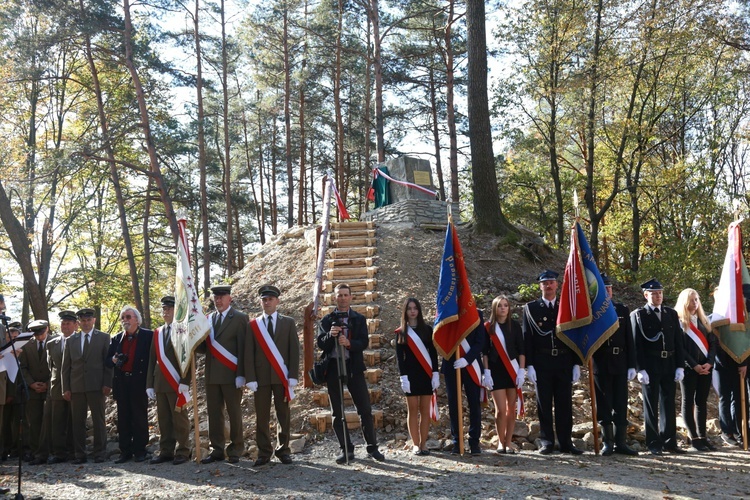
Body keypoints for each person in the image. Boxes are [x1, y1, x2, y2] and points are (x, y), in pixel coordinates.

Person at [318, 283, 385, 464]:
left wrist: (348, 343)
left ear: (351, 297)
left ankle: (372, 447)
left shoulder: (358, 318)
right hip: (333, 367)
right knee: (337, 412)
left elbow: (363, 342)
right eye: (339, 295)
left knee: (364, 408)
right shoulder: (326, 320)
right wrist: (330, 336)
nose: (342, 298)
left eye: (346, 295)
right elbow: (321, 345)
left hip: (353, 367)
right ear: (334, 297)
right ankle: (346, 449)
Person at [523, 270, 582, 455]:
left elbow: (575, 335)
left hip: (564, 360)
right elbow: (527, 338)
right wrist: (529, 365)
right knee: (544, 403)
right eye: (545, 283)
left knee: (564, 404)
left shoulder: (566, 307)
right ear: (540, 286)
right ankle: (547, 441)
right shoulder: (531, 309)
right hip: (542, 361)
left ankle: (566, 442)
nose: (548, 286)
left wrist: (576, 363)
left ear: (557, 285)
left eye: (551, 282)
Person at [245, 285, 300, 466]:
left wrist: (293, 375)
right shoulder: (253, 325)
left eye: (270, 299)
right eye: (264, 299)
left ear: (277, 301)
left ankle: (283, 450)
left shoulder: (288, 322)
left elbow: (294, 351)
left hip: (281, 376)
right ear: (260, 302)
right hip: (260, 379)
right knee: (261, 416)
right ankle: (264, 452)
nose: (267, 302)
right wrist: (250, 377)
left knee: (283, 414)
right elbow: (248, 353)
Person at [630, 279, 685, 455]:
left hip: (668, 363)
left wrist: (680, 366)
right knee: (651, 404)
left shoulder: (671, 313)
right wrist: (640, 368)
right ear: (646, 295)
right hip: (650, 364)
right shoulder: (639, 315)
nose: (658, 296)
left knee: (669, 404)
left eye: (660, 292)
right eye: (654, 293)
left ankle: (670, 441)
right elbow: (636, 344)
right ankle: (653, 443)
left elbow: (678, 341)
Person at [198, 284, 248, 464]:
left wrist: (242, 374)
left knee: (234, 412)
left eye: (221, 297)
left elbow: (244, 348)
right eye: (216, 298)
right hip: (212, 374)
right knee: (214, 413)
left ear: (230, 299)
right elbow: (205, 348)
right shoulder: (208, 319)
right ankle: (217, 449)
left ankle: (235, 449)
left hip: (231, 373)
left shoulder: (240, 318)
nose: (218, 300)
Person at [592, 275, 638, 456]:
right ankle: (607, 443)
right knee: (604, 404)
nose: (608, 291)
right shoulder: (592, 311)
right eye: (605, 288)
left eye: (610, 288)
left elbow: (629, 339)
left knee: (620, 403)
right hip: (601, 363)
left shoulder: (622, 309)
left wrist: (632, 365)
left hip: (620, 362)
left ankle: (621, 442)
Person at [61, 308, 113, 464]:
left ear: (94, 320)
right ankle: (79, 454)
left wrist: (107, 383)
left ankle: (100, 453)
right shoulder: (71, 340)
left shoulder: (103, 338)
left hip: (97, 386)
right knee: (77, 422)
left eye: (88, 320)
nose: (86, 323)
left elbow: (108, 364)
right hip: (76, 386)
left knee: (99, 421)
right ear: (79, 322)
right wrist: (66, 388)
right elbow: (66, 366)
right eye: (83, 320)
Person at [146, 296, 191, 465]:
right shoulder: (157, 333)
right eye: (164, 309)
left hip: (176, 382)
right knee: (164, 419)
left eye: (169, 309)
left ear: (176, 311)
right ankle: (166, 450)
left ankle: (183, 450)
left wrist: (185, 381)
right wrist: (149, 384)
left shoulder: (182, 331)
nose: (166, 312)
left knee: (179, 419)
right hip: (160, 382)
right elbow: (152, 360)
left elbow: (188, 358)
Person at [107, 306, 153, 463]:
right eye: (123, 318)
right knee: (123, 418)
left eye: (128, 317)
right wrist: (113, 360)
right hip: (122, 382)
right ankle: (125, 451)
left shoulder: (148, 336)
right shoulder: (117, 338)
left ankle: (140, 450)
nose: (124, 320)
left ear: (137, 319)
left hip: (139, 381)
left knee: (139, 416)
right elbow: (107, 361)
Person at [675, 288, 718, 452]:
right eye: (692, 299)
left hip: (706, 367)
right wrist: (694, 365)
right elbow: (681, 348)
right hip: (689, 368)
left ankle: (702, 437)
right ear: (685, 301)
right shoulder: (679, 321)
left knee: (701, 402)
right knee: (688, 401)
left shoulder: (704, 320)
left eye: (697, 299)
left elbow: (713, 344)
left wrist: (709, 363)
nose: (695, 302)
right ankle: (693, 438)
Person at [395, 298, 438, 456]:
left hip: (426, 374)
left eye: (415, 308)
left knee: (425, 410)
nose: (412, 311)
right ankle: (415, 444)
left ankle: (424, 443)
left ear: (419, 311)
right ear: (405, 312)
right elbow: (400, 358)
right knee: (412, 410)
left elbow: (433, 354)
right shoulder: (401, 332)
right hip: (410, 375)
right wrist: (403, 377)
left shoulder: (427, 330)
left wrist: (435, 373)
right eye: (409, 308)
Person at [483, 295, 525, 454]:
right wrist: (486, 372)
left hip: (513, 371)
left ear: (509, 308)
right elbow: (485, 352)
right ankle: (501, 442)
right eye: (499, 305)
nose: (503, 308)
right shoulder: (488, 327)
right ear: (495, 308)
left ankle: (508, 442)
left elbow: (521, 350)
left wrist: (521, 370)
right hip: (496, 371)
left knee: (511, 408)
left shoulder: (514, 326)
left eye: (505, 305)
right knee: (500, 410)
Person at [442, 309, 486, 457]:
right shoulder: (446, 312)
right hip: (451, 364)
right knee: (454, 403)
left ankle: (474, 442)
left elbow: (480, 341)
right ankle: (457, 441)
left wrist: (467, 359)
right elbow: (441, 337)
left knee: (474, 403)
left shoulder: (476, 314)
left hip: (471, 364)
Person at [715, 284, 750, 447]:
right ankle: (727, 431)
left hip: (740, 365)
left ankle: (741, 431)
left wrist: (743, 362)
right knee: (725, 398)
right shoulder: (714, 318)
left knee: (739, 398)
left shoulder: (741, 317)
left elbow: (743, 342)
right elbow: (714, 343)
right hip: (721, 365)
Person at [19, 319, 52, 465]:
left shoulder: (56, 342)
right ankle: (35, 452)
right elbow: (23, 367)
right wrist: (31, 383)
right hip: (32, 389)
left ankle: (50, 451)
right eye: (36, 334)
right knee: (34, 422)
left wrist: (47, 384)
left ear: (47, 329)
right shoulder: (27, 345)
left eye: (41, 332)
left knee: (50, 421)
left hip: (50, 388)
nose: (39, 336)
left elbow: (60, 366)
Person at [46, 310, 76, 464]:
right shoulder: (52, 343)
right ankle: (58, 452)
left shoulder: (79, 340)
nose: (65, 326)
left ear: (75, 325)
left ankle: (73, 451)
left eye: (68, 323)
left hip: (75, 384)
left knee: (74, 419)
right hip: (57, 386)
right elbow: (50, 366)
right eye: (63, 323)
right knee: (57, 420)